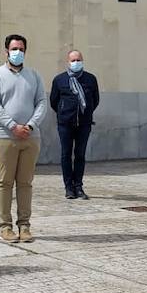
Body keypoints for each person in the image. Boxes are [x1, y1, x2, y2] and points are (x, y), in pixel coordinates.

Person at [0, 33, 48, 243]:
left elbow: (41, 103)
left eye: (21, 49)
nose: (17, 52)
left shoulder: (34, 76)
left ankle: (25, 226)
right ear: (6, 51)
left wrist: (29, 125)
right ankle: (5, 227)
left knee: (25, 183)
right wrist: (12, 126)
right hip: (4, 137)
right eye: (14, 49)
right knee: (5, 182)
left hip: (30, 137)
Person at [50, 49, 100, 200]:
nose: (76, 63)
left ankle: (78, 186)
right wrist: (64, 112)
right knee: (66, 155)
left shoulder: (90, 79)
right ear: (68, 62)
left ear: (82, 61)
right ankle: (68, 188)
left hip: (84, 124)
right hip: (65, 123)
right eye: (73, 60)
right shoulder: (60, 80)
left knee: (80, 155)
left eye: (78, 60)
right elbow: (54, 101)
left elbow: (95, 100)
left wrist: (86, 112)